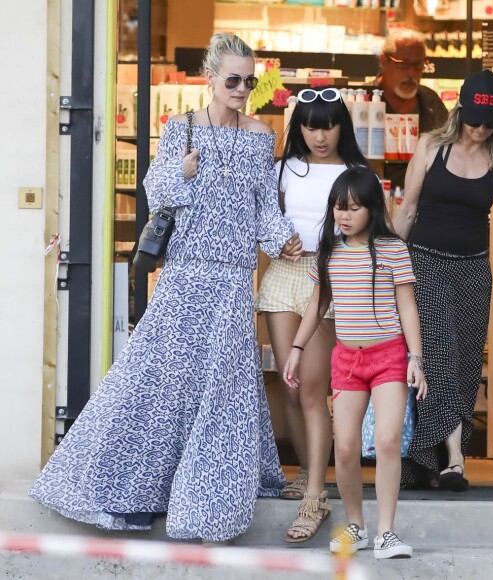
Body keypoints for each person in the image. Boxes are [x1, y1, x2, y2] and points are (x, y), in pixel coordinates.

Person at [29, 32, 303, 543]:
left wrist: (282, 239)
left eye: (250, 80)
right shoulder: (181, 129)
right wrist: (182, 170)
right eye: (233, 79)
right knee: (159, 382)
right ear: (211, 78)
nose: (242, 89)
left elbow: (265, 203)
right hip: (185, 274)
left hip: (234, 276)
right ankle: (128, 493)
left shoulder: (262, 136)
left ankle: (208, 503)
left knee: (224, 387)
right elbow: (156, 193)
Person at [393, 69, 493, 491]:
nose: (481, 130)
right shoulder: (430, 146)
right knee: (439, 354)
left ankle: (426, 462)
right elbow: (407, 210)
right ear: (459, 111)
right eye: (474, 120)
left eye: (490, 123)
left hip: (473, 271)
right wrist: (383, 265)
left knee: (463, 365)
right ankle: (456, 459)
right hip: (424, 264)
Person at [283, 166, 427, 559]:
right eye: (337, 207)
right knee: (344, 449)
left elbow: (407, 306)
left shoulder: (393, 249)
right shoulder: (328, 249)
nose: (343, 215)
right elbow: (317, 305)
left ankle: (386, 531)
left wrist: (416, 359)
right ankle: (356, 526)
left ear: (372, 210)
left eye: (353, 208)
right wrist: (296, 348)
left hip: (389, 357)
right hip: (347, 360)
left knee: (387, 440)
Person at [255, 87, 369, 543]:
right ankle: (307, 471)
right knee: (290, 381)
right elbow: (263, 219)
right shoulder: (283, 169)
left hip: (328, 279)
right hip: (283, 274)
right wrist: (277, 240)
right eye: (309, 125)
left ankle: (315, 495)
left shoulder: (356, 173)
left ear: (343, 125)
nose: (319, 135)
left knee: (314, 387)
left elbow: (371, 232)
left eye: (328, 124)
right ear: (297, 127)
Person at [375, 28, 448, 189]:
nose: (411, 73)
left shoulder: (431, 102)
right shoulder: (366, 104)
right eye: (403, 64)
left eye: (418, 65)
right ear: (384, 61)